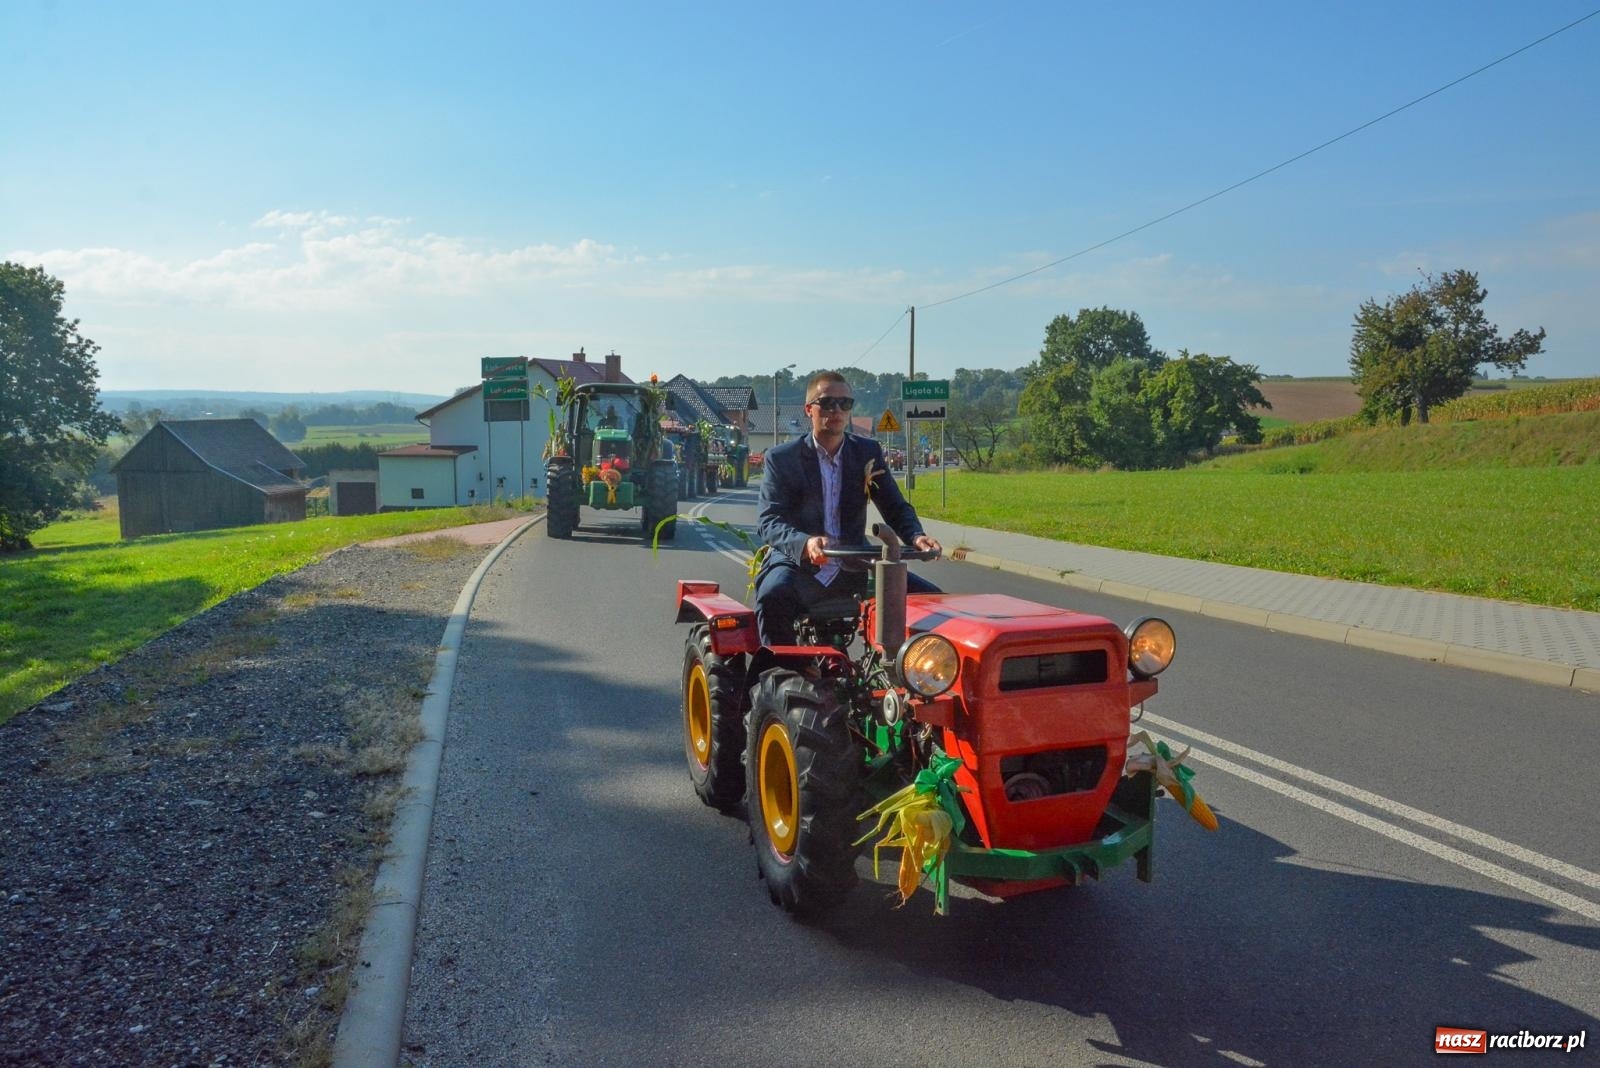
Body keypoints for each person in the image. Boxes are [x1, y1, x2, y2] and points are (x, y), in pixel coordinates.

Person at [755, 371, 942, 645]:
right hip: (799, 567)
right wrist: (805, 543)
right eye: (828, 402)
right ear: (809, 409)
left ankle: (912, 676)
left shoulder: (867, 453)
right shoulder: (781, 458)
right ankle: (783, 671)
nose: (837, 410)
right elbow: (769, 521)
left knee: (934, 603)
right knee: (773, 596)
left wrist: (916, 536)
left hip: (852, 567)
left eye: (845, 404)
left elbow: (895, 506)